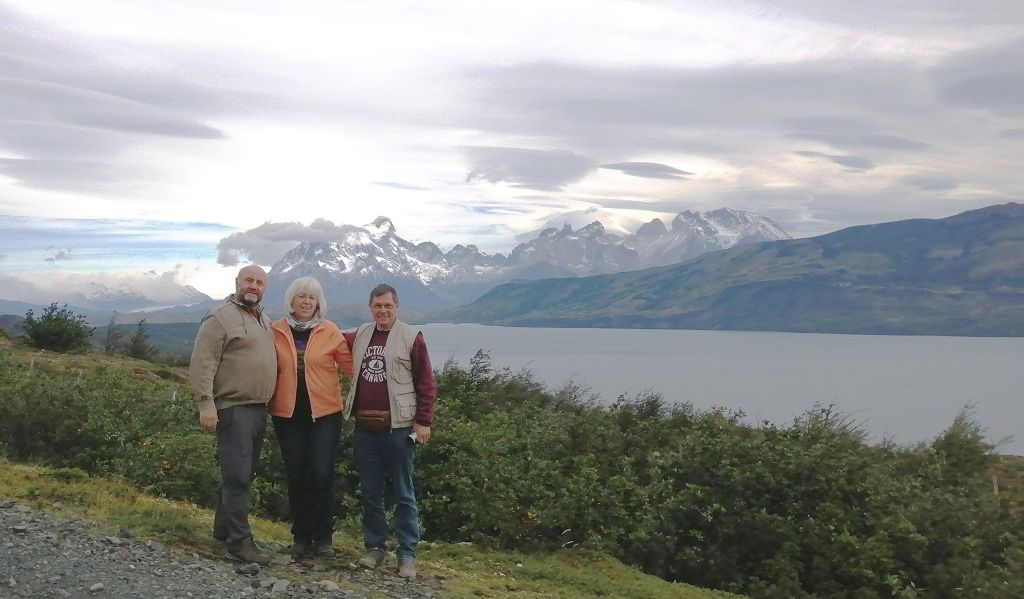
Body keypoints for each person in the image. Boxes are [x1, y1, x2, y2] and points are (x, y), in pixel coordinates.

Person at [343, 284, 436, 579]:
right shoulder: (359, 335)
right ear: (370, 307)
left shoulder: (411, 337)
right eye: (377, 306)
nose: (382, 311)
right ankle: (374, 548)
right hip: (364, 427)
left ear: (397, 307)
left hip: (399, 427)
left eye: (388, 306)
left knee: (403, 493)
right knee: (371, 492)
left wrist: (423, 421)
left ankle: (407, 554)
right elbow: (327, 340)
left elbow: (426, 382)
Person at [189, 265, 277, 564]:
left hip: (257, 409)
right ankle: (240, 543)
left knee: (241, 473)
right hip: (233, 408)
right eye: (249, 280)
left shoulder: (263, 318)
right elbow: (203, 362)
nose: (254, 286)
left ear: (265, 288)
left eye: (260, 282)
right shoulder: (220, 317)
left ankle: (222, 529)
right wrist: (205, 403)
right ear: (237, 283)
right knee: (238, 476)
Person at [269, 277, 354, 560]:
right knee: (296, 474)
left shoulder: (330, 332)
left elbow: (352, 370)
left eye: (312, 298)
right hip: (288, 415)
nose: (307, 302)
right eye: (301, 296)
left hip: (325, 415)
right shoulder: (275, 331)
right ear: (290, 301)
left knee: (321, 473)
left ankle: (324, 537)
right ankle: (301, 537)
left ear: (319, 303)